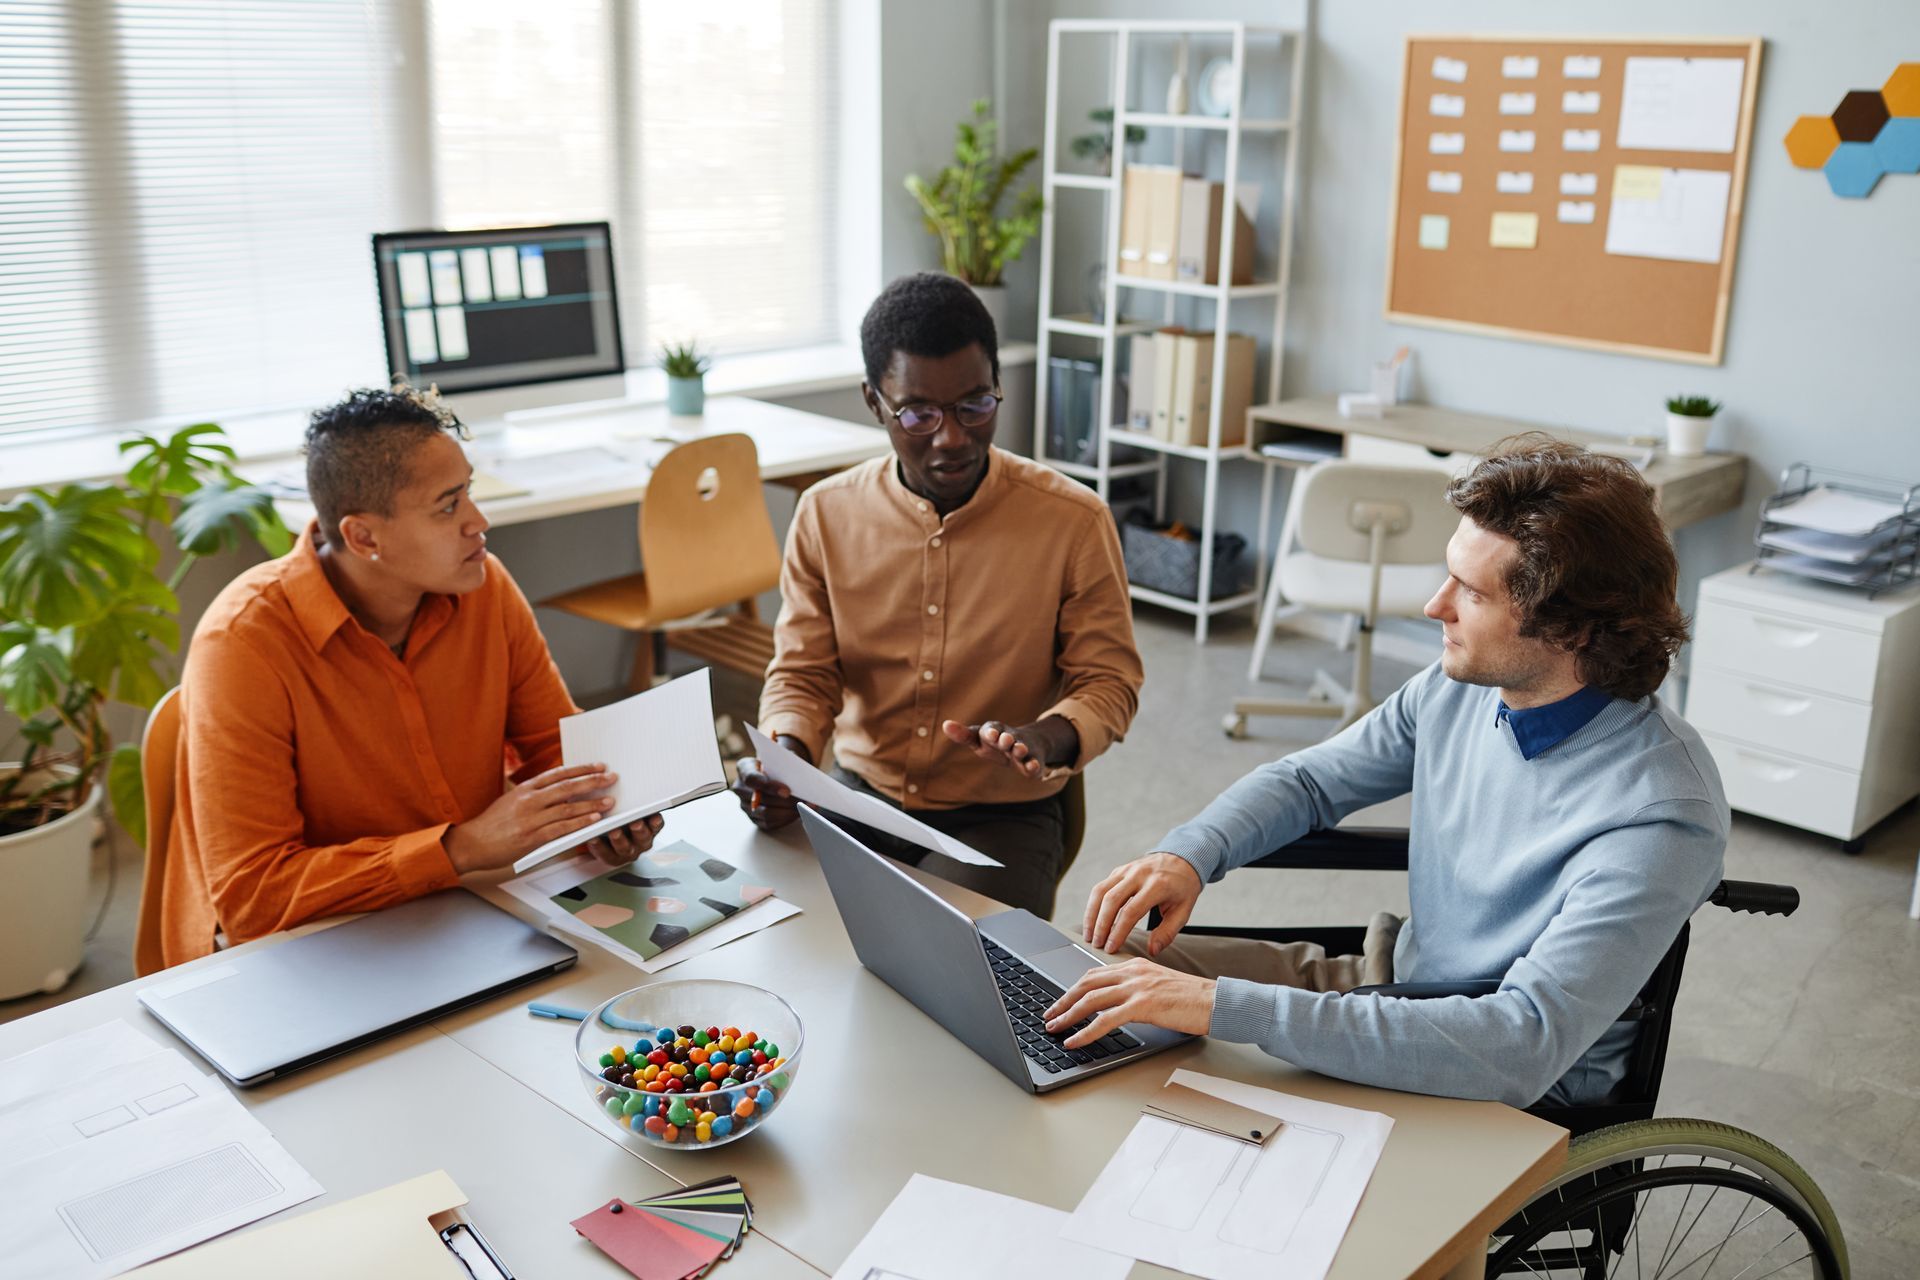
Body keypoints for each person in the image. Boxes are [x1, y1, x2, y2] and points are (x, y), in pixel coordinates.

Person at [1044, 437, 1728, 1107]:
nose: (1435, 606)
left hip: (1491, 1079)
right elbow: (1312, 781)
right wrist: (1190, 854)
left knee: (1170, 1047)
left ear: (1574, 628)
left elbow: (1519, 1043)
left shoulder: (1661, 813)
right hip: (1390, 983)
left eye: (1472, 592)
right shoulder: (1459, 688)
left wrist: (1224, 1008)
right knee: (1104, 967)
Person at [153, 386, 660, 969]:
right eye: (448, 506)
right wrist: (461, 847)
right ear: (363, 537)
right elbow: (254, 896)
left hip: (461, 913)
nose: (479, 522)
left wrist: (603, 813)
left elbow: (556, 749)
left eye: (468, 491)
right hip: (309, 947)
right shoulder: (243, 643)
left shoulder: (484, 585)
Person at [731, 273, 1143, 917]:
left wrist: (1048, 737)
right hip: (860, 797)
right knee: (765, 928)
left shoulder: (1073, 521)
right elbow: (805, 673)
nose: (951, 437)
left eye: (975, 405)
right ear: (874, 401)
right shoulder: (826, 514)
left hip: (1002, 818)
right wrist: (786, 765)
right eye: (918, 414)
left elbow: (1109, 681)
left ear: (998, 387)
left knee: (957, 971)